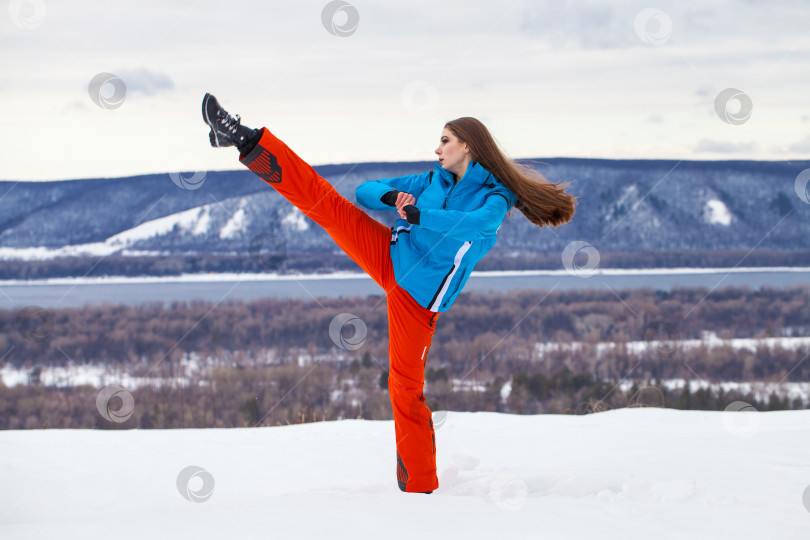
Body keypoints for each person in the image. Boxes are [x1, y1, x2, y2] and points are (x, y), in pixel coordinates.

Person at [202, 93, 577, 493]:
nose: (437, 148)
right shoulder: (431, 180)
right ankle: (245, 140)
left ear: (467, 145)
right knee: (327, 205)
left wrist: (422, 215)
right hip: (392, 254)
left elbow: (472, 225)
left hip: (417, 299)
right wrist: (393, 198)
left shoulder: (496, 195)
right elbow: (365, 190)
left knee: (404, 387)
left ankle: (419, 489)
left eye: (445, 140)